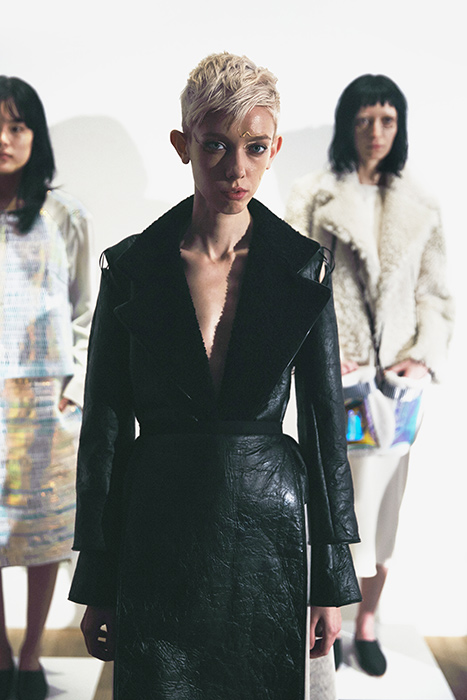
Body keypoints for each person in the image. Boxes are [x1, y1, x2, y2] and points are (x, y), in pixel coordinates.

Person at [69, 52, 361, 700]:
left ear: (274, 148)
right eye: (215, 145)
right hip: (158, 533)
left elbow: (324, 431)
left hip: (268, 537)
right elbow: (104, 434)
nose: (236, 168)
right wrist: (96, 580)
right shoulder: (132, 270)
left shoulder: (302, 268)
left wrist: (331, 578)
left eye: (254, 147)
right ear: (183, 145)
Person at [286, 74, 454, 676]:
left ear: (399, 126)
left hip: (398, 388)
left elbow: (435, 293)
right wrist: (323, 353)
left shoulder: (420, 204)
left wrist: (424, 354)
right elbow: (294, 285)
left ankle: (368, 622)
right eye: (364, 120)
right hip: (339, 380)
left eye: (387, 120)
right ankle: (324, 616)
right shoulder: (313, 196)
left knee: (386, 508)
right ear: (346, 125)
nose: (376, 132)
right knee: (329, 502)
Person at [0, 76, 94, 700]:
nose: (4, 139)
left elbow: (87, 310)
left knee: (44, 537)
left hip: (44, 402)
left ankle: (30, 655)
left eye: (17, 126)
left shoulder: (65, 216)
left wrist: (73, 389)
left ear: (35, 134)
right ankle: (0, 652)